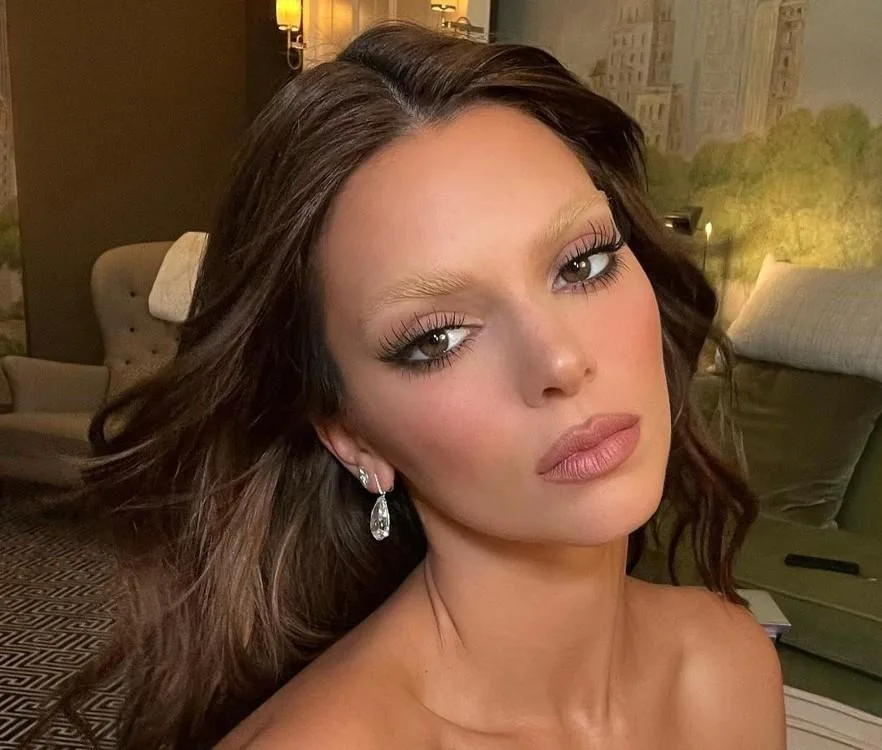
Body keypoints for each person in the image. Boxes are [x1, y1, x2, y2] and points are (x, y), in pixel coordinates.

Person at [47, 21, 785, 750]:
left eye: (582, 264)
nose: (560, 363)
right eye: (438, 338)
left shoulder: (728, 663)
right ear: (351, 436)